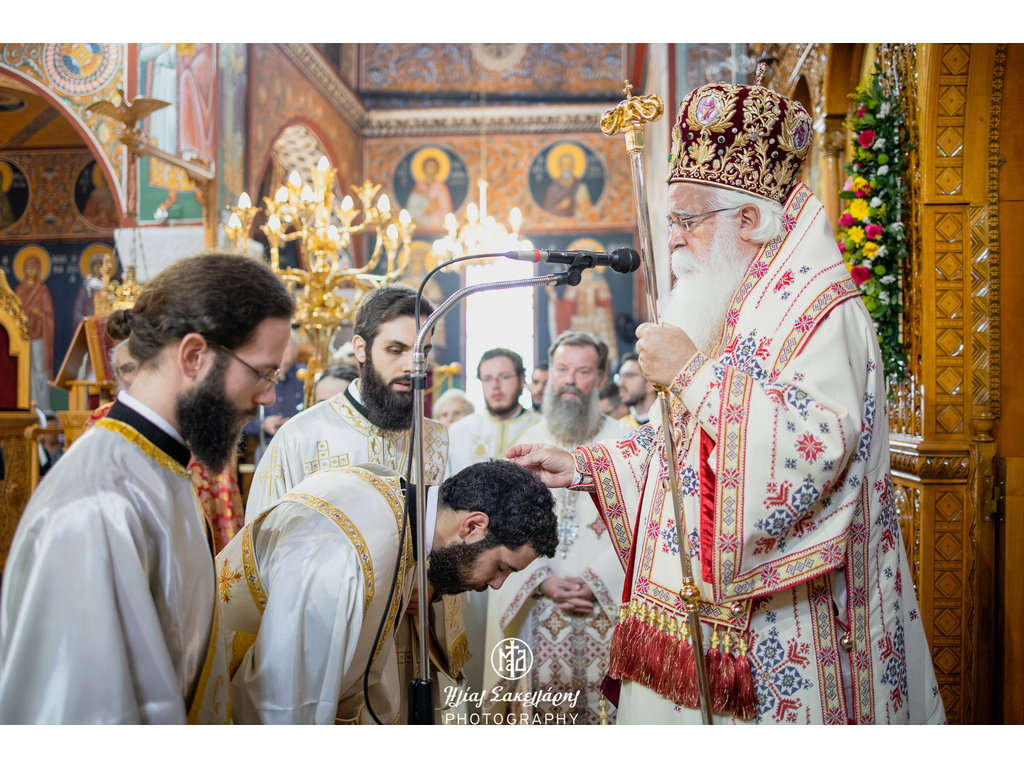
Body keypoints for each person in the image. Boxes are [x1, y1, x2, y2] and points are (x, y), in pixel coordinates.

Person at [509, 82, 945, 725]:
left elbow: (813, 450)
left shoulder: (819, 309)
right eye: (672, 223)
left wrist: (690, 372)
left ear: (748, 219)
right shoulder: (732, 302)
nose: (674, 241)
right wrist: (588, 467)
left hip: (791, 631)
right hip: (714, 621)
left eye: (688, 221)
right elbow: (687, 448)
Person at [0, 251, 294, 723]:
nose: (268, 396)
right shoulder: (98, 504)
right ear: (194, 356)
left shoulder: (162, 466)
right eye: (262, 372)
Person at [245, 284, 463, 715]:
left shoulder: (436, 441)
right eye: (396, 349)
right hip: (328, 652)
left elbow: (457, 540)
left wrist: (436, 584)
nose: (412, 366)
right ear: (361, 349)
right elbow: (260, 554)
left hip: (411, 649)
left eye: (422, 352)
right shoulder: (301, 437)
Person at [213, 460, 558, 724]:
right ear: (473, 526)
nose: (496, 584)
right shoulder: (346, 550)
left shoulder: (393, 501)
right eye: (501, 567)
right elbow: (285, 699)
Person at [486, 331, 628, 724]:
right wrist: (541, 579)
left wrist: (599, 580)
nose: (570, 381)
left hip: (608, 611)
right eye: (562, 369)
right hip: (538, 607)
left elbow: (644, 525)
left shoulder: (625, 444)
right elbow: (502, 528)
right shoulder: (526, 444)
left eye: (583, 371)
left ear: (601, 377)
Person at [447, 348, 541, 475]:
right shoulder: (458, 432)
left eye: (504, 377)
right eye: (487, 378)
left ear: (521, 380)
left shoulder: (544, 428)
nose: (495, 385)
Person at [14, 256, 54, 410]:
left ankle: (43, 405)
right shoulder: (19, 290)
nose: (30, 270)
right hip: (23, 336)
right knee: (26, 368)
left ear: (38, 270)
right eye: (28, 267)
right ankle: (26, 403)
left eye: (33, 267)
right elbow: (15, 312)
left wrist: (39, 313)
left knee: (39, 368)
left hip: (40, 336)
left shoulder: (42, 290)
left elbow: (49, 315)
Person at [616, 352, 656, 429]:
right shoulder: (621, 428)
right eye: (620, 376)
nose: (620, 383)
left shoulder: (672, 423)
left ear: (651, 383)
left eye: (629, 375)